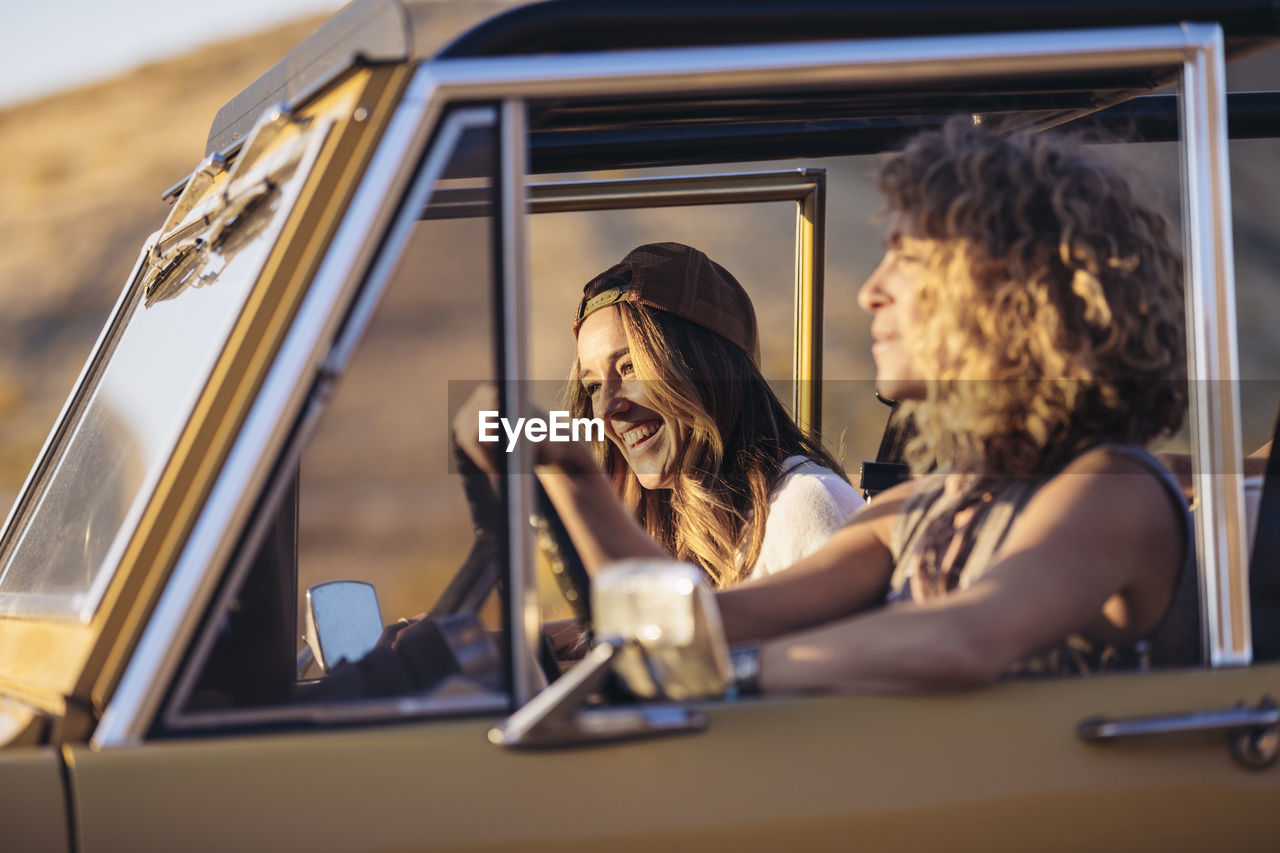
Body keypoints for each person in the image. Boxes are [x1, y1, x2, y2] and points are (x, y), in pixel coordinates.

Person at [711, 120, 1193, 693]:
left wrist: (737, 672)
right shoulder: (934, 500)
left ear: (1013, 291)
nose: (871, 291)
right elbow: (734, 614)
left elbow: (961, 641)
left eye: (905, 258)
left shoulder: (1114, 488)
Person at [462, 242, 862, 590]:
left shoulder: (805, 506)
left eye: (630, 367)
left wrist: (568, 469)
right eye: (594, 386)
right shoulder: (679, 525)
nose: (606, 409)